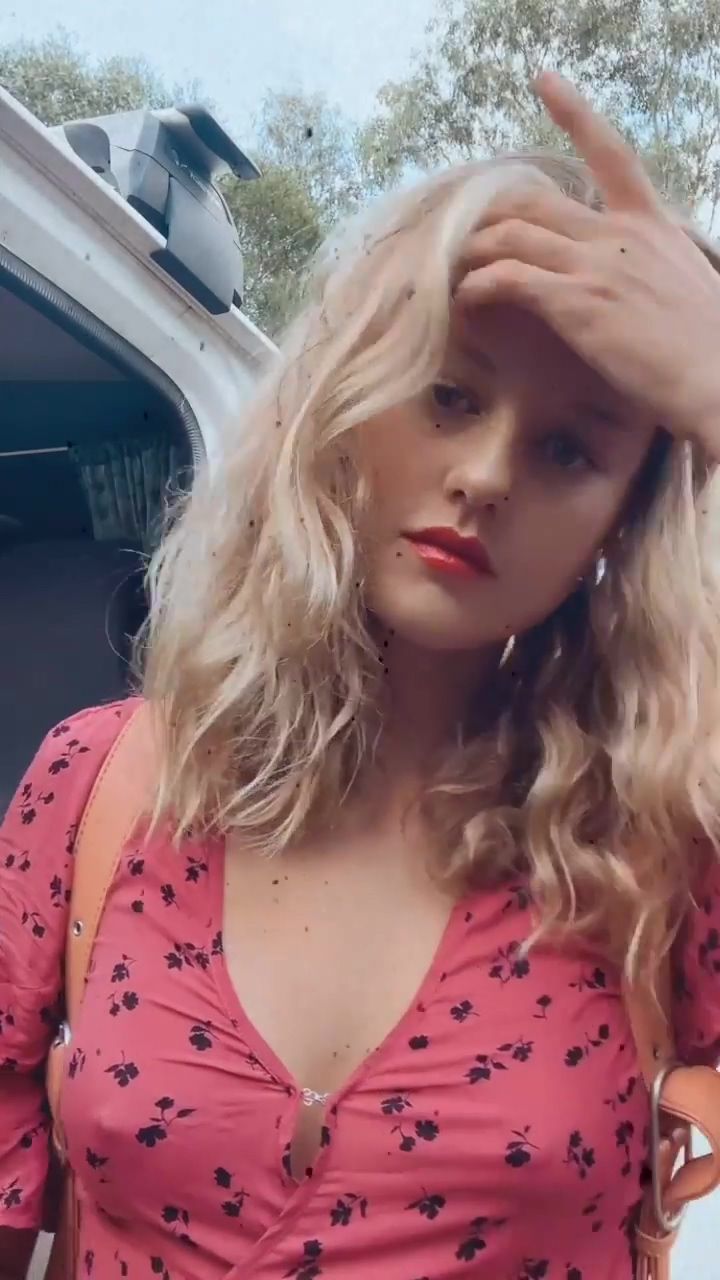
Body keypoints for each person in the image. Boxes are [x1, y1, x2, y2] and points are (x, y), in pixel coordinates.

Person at [2, 73, 720, 1280]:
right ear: (344, 403)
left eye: (570, 447)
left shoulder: (660, 838)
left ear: (622, 522)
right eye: (449, 394)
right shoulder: (101, 785)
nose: (487, 473)